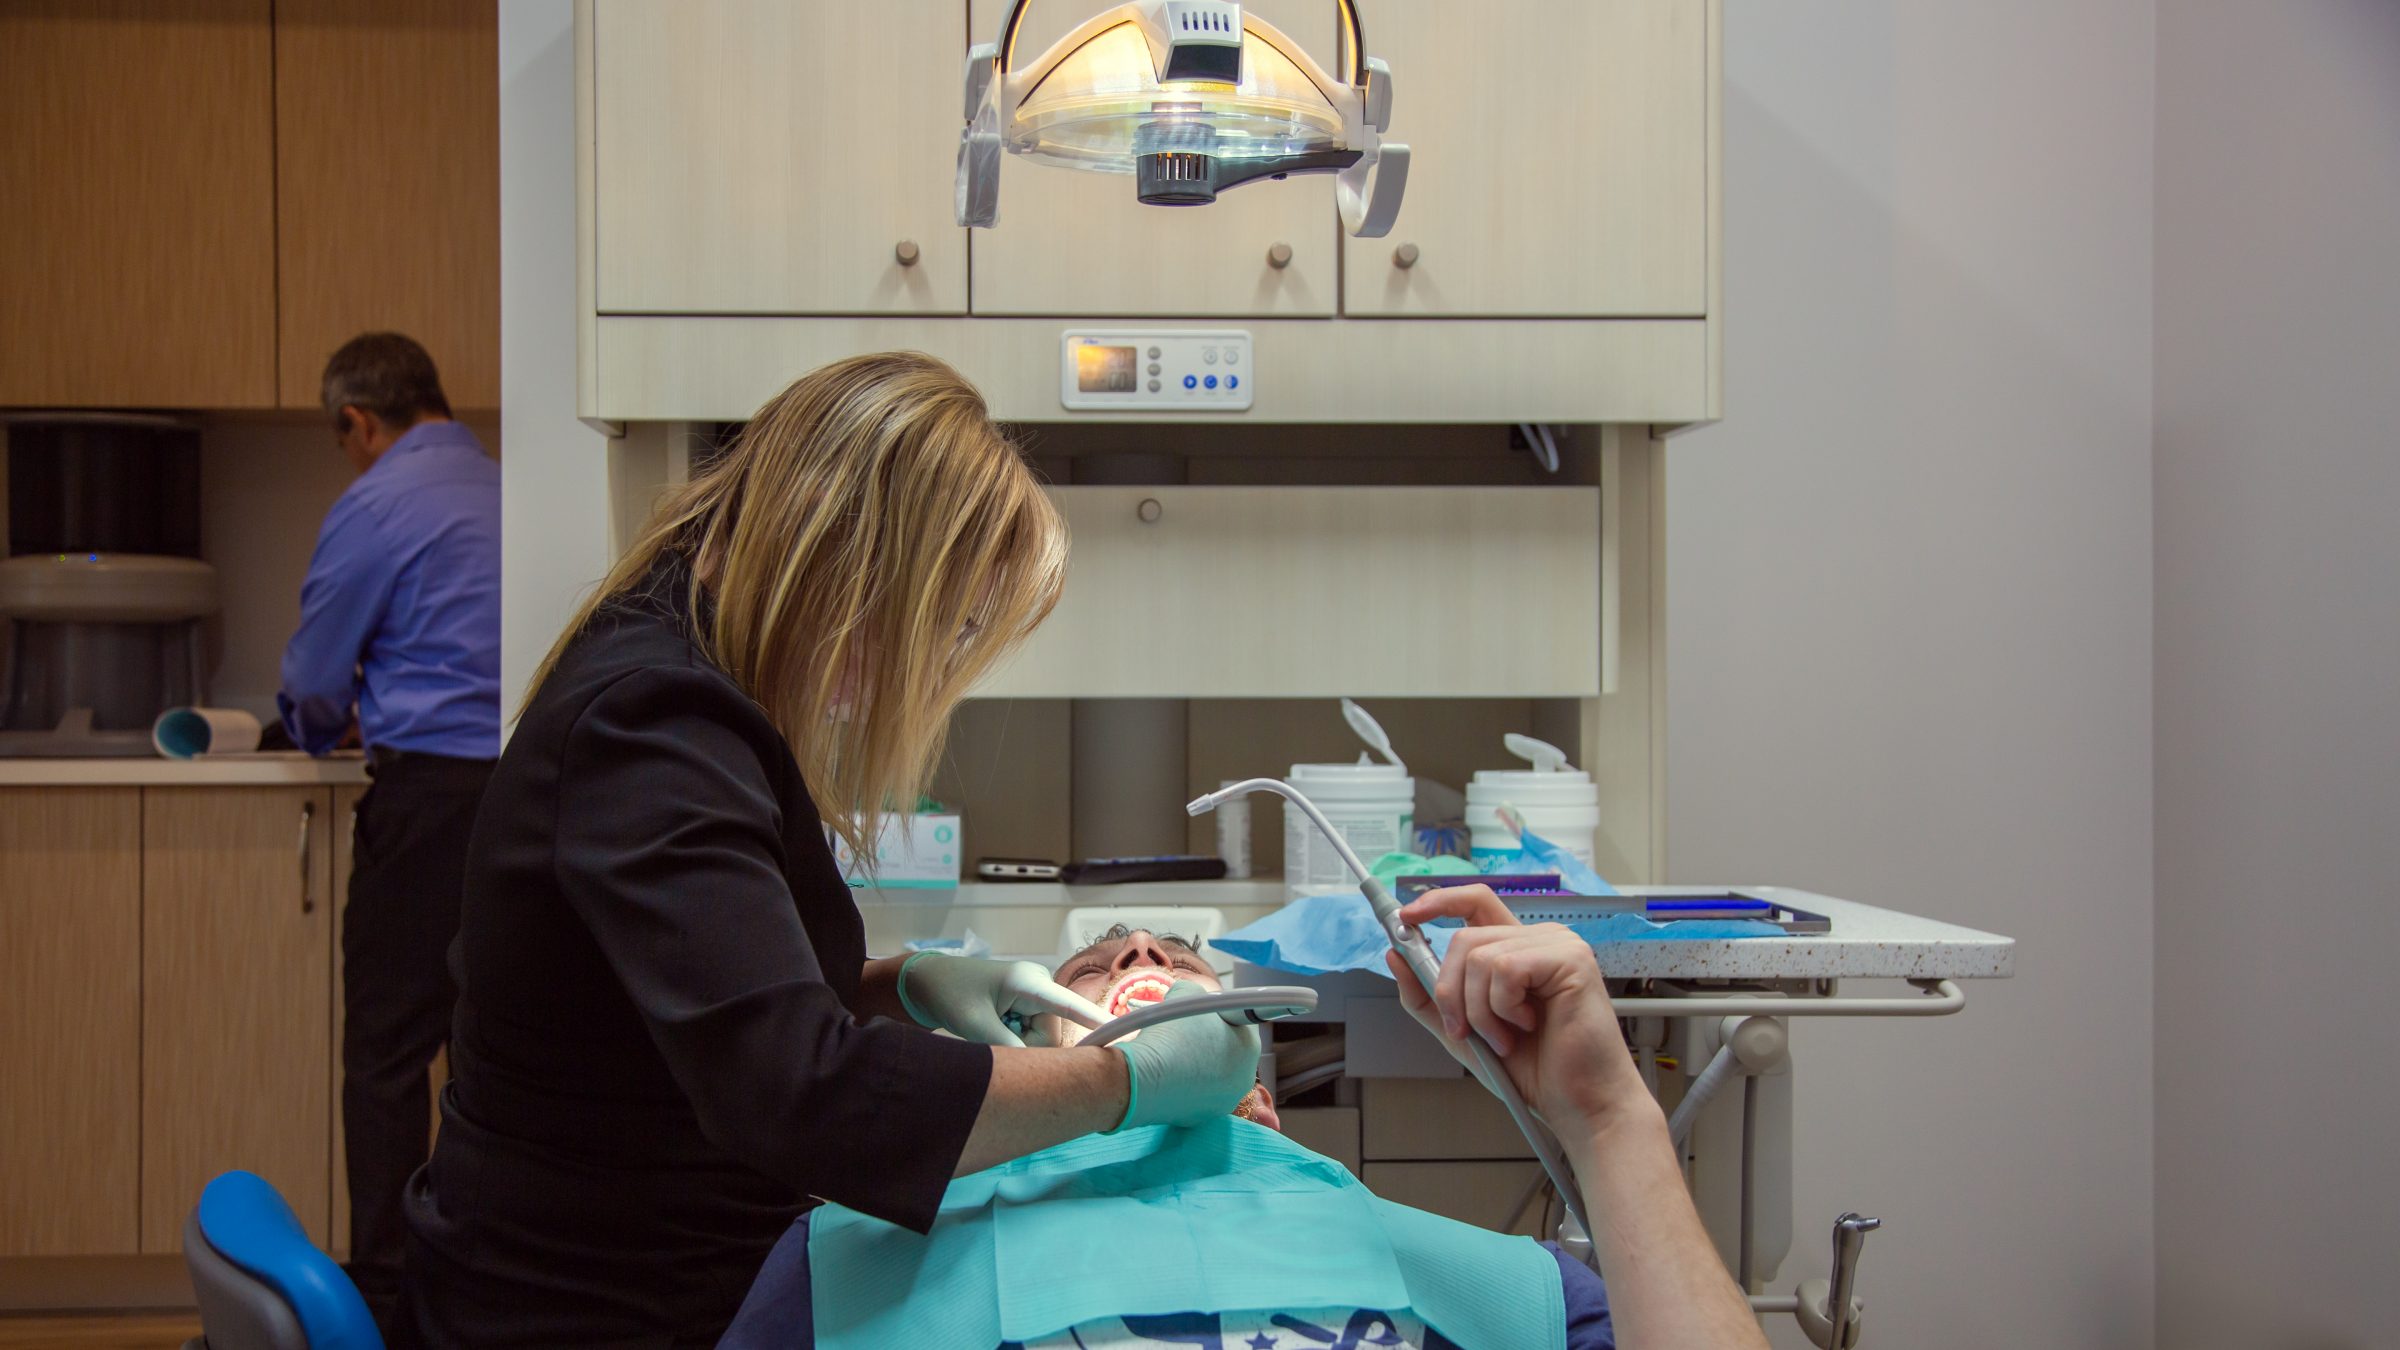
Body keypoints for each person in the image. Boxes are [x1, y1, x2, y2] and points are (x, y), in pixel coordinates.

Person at [398, 353, 1266, 1348]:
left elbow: (699, 1003)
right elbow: (800, 1096)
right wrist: (1129, 1083)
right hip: (594, 1307)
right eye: (944, 626)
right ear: (850, 568)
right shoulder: (655, 724)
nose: (935, 663)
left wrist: (892, 986)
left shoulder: (685, 672)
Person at [721, 895, 1769, 1350]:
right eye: (1093, 967)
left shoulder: (1505, 1290)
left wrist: (1609, 1115)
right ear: (1016, 1071)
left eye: (1178, 965)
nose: (1136, 959)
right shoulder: (844, 1269)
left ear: (1260, 1095)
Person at [278, 332, 500, 1331]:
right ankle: (479, 1275)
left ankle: (383, 1295)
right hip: (526, 801)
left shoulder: (373, 504)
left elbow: (316, 684)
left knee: (385, 1058)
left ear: (359, 423)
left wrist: (323, 726)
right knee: (491, 1045)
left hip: (425, 809)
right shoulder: (512, 485)